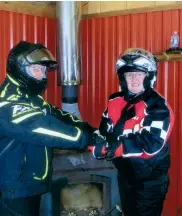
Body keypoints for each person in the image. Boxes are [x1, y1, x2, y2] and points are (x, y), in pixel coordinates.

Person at [0, 40, 103, 216]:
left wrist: (86, 127)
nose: (42, 76)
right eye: (36, 69)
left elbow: (57, 115)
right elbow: (43, 128)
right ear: (19, 69)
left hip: (29, 183)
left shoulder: (32, 97)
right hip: (14, 189)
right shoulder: (8, 101)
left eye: (43, 70)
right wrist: (85, 139)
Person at [88, 48, 174, 216]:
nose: (134, 79)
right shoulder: (115, 101)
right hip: (125, 174)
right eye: (129, 75)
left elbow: (151, 143)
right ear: (123, 78)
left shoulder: (158, 106)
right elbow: (105, 130)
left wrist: (114, 148)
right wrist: (96, 142)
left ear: (148, 77)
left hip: (149, 182)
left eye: (139, 74)